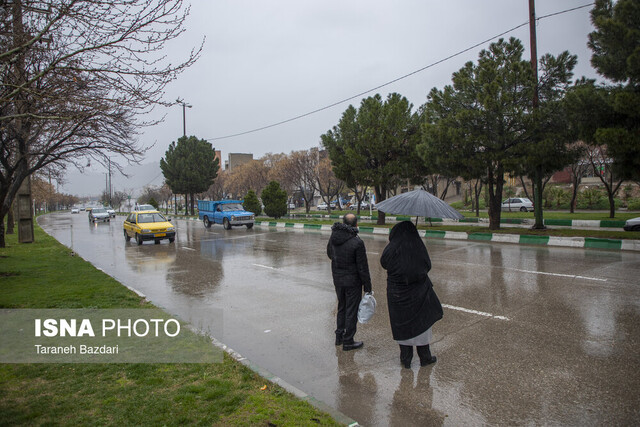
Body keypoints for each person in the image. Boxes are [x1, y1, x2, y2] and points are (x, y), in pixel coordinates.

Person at [380, 221, 443, 368]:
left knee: (402, 325)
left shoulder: (392, 248)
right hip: (418, 293)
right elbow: (427, 265)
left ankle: (406, 358)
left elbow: (384, 263)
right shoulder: (418, 247)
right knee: (421, 324)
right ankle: (425, 357)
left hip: (397, 294)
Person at [327, 213, 372, 351]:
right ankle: (348, 341)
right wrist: (368, 285)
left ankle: (339, 336)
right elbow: (362, 266)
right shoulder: (357, 242)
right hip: (352, 281)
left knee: (341, 306)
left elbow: (330, 254)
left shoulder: (334, 238)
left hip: (338, 279)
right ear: (356, 225)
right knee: (351, 310)